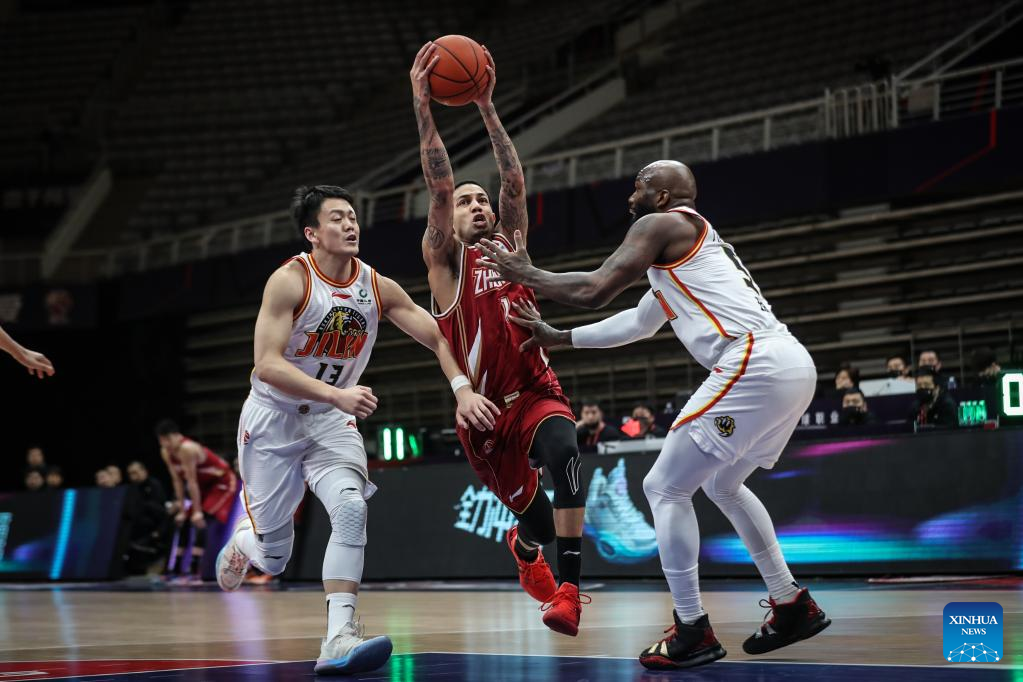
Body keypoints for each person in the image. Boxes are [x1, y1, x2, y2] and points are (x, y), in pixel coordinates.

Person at [478, 160, 829, 670]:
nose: (630, 198)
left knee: (664, 487)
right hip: (791, 366)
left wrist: (525, 274)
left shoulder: (661, 224)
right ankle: (791, 602)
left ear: (662, 197)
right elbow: (638, 322)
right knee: (724, 485)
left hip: (754, 361)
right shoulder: (686, 256)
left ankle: (692, 628)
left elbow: (595, 288)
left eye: (638, 187)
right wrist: (562, 337)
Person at [214, 184, 498, 675]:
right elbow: (266, 365)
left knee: (349, 507)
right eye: (337, 218)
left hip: (330, 423)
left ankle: (338, 636)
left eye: (352, 216)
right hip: (274, 420)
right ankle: (244, 544)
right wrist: (336, 394)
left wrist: (462, 388)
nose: (350, 225)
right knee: (274, 558)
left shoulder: (376, 285)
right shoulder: (290, 281)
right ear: (312, 233)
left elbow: (437, 335)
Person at [411, 42, 590, 636]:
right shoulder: (444, 261)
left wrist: (487, 105)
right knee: (537, 525)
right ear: (450, 218)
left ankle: (570, 593)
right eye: (467, 202)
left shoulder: (511, 244)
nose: (477, 205)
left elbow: (513, 178)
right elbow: (439, 186)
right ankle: (525, 546)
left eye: (481, 199)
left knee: (566, 452)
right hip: (485, 416)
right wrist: (424, 104)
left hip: (536, 389)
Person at [156, 419, 237, 580]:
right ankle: (178, 568)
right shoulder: (165, 452)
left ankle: (200, 568)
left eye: (167, 440)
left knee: (204, 518)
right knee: (184, 519)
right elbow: (177, 481)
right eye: (162, 441)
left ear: (176, 435)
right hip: (203, 486)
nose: (165, 444)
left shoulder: (187, 448)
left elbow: (191, 481)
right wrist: (182, 510)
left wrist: (198, 511)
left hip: (221, 482)